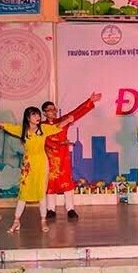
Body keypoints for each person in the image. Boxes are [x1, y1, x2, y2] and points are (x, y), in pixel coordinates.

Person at [0, 108, 73, 233]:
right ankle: (16, 221)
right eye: (34, 115)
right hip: (28, 165)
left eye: (38, 115)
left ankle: (43, 221)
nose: (37, 117)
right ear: (28, 118)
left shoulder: (43, 129)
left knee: (41, 192)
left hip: (42, 164)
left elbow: (58, 126)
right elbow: (4, 125)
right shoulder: (22, 130)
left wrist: (68, 120)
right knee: (23, 193)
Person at [42, 92, 102, 220]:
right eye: (50, 110)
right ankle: (50, 209)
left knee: (66, 182)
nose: (53, 112)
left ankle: (70, 209)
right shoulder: (41, 126)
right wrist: (59, 143)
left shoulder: (62, 120)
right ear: (44, 113)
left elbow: (76, 113)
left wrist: (89, 101)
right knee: (51, 182)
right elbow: (44, 141)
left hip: (63, 156)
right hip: (49, 157)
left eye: (54, 109)